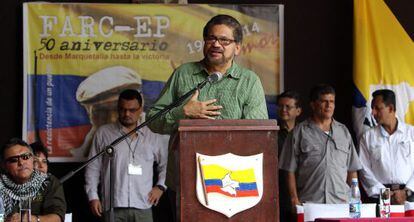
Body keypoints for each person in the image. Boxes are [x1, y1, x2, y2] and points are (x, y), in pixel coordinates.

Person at [146, 14, 268, 221]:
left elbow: (258, 136)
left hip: (232, 183)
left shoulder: (249, 81)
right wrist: (182, 112)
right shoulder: (184, 74)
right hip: (186, 178)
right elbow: (153, 120)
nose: (216, 44)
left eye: (224, 40)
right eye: (211, 39)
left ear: (237, 47)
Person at [84, 89, 168, 222]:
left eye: (132, 110)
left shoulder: (152, 135)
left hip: (143, 205)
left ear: (140, 110)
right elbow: (93, 168)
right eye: (122, 109)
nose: (126, 113)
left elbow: (166, 164)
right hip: (113, 206)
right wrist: (93, 196)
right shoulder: (104, 133)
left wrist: (161, 186)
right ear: (117, 109)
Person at [279, 84, 361, 210]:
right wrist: (294, 199)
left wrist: (355, 199)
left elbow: (352, 170)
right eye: (324, 101)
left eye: (332, 101)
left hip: (340, 203)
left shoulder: (344, 132)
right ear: (313, 105)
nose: (329, 105)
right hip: (310, 204)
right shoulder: (298, 132)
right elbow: (289, 170)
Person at [73, 65, 143, 159]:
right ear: (89, 112)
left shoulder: (151, 132)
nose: (112, 118)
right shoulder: (98, 134)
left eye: (117, 109)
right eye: (101, 111)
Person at [359, 89, 414, 204]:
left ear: (390, 108)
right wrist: (385, 194)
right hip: (379, 198)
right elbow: (364, 170)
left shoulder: (411, 133)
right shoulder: (368, 137)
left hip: (410, 197)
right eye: (372, 108)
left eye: (377, 108)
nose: (373, 113)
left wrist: (406, 192)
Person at [0, 138, 66, 222]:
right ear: (4, 166)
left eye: (25, 157)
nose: (21, 163)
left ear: (32, 159)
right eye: (14, 160)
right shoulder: (1, 185)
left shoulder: (48, 182)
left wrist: (33, 219)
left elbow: (57, 217)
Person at [276, 90, 302, 222]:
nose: (283, 110)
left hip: (302, 191)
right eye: (280, 106)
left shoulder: (304, 133)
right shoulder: (271, 133)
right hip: (279, 191)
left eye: (288, 107)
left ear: (298, 111)